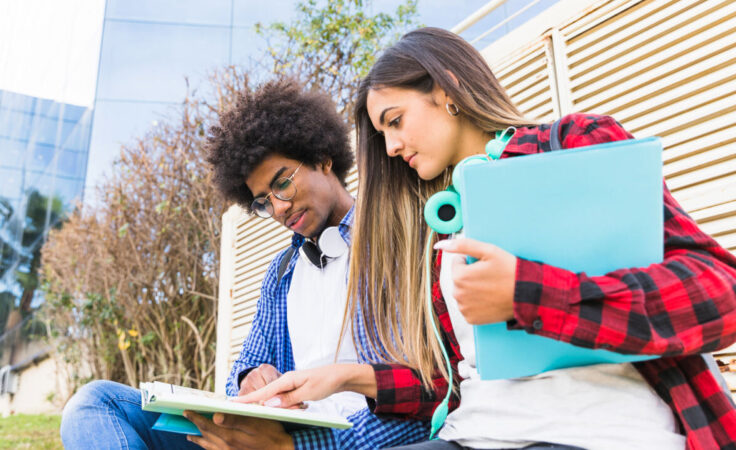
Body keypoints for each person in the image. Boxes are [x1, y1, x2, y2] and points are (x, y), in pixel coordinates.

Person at [235, 28, 736, 449]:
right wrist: (348, 376)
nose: (390, 148)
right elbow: (456, 382)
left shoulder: (571, 147)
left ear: (448, 89)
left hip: (599, 429)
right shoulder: (440, 225)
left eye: (395, 122)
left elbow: (719, 295)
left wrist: (526, 293)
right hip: (473, 434)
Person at [60, 78, 429, 449]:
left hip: (351, 438)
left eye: (282, 183)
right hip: (280, 432)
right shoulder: (283, 271)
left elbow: (430, 397)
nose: (279, 208)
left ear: (322, 158)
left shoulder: (396, 238)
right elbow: (245, 366)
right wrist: (251, 379)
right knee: (97, 404)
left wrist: (299, 447)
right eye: (263, 201)